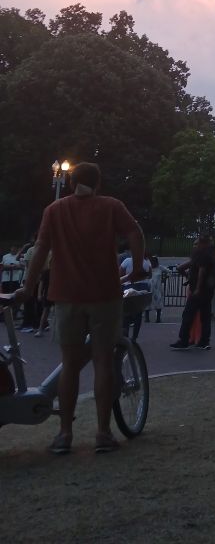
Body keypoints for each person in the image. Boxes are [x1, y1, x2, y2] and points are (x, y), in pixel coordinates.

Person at [12, 161, 146, 454]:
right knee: (102, 362)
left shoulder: (54, 210)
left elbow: (41, 250)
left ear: (71, 183)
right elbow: (135, 234)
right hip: (105, 295)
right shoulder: (111, 206)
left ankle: (64, 434)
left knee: (70, 365)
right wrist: (136, 268)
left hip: (66, 295)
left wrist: (29, 286)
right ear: (98, 184)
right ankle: (102, 433)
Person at [170, 236, 215, 350]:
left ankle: (184, 340)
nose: (195, 246)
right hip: (207, 291)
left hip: (199, 292)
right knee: (205, 317)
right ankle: (204, 341)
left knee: (188, 315)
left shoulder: (200, 256)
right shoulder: (209, 256)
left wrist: (196, 286)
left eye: (197, 244)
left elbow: (200, 271)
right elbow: (183, 268)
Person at [119, 253, 151, 341]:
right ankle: (134, 337)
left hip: (129, 286)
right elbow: (149, 275)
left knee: (126, 313)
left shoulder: (126, 261)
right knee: (138, 313)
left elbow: (120, 275)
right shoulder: (146, 262)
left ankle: (125, 335)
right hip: (143, 287)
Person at [143, 255, 164, 323]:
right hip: (150, 287)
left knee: (157, 303)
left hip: (156, 288)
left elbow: (169, 272)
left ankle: (157, 318)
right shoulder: (149, 267)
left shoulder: (160, 267)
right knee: (148, 302)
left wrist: (164, 278)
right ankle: (147, 318)